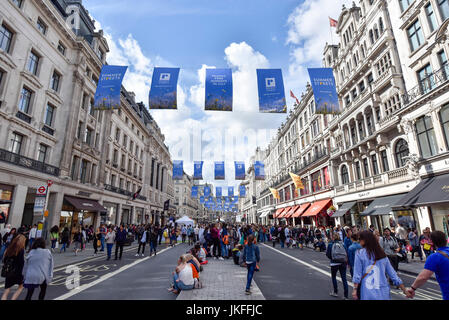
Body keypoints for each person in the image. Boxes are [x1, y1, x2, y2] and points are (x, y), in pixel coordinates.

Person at [352, 231, 409, 300]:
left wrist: (355, 289)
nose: (359, 241)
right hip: (383, 292)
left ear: (365, 240)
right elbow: (393, 275)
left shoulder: (359, 253)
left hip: (368, 291)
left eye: (360, 239)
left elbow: (357, 274)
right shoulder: (382, 254)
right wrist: (404, 290)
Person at [407, 231, 449, 300]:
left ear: (432, 242)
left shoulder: (435, 257)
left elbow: (423, 277)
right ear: (446, 240)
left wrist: (412, 288)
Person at [1, 235, 26, 300]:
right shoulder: (21, 250)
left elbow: (4, 260)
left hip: (9, 271)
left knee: (7, 290)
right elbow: (21, 263)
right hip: (17, 272)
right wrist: (21, 273)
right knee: (20, 287)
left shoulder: (10, 248)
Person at [326, 233, 349, 299]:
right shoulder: (343, 244)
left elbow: (327, 254)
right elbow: (346, 252)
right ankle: (346, 295)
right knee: (344, 278)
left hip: (334, 263)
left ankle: (335, 292)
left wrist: (332, 258)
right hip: (343, 262)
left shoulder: (330, 244)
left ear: (333, 238)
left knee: (334, 277)